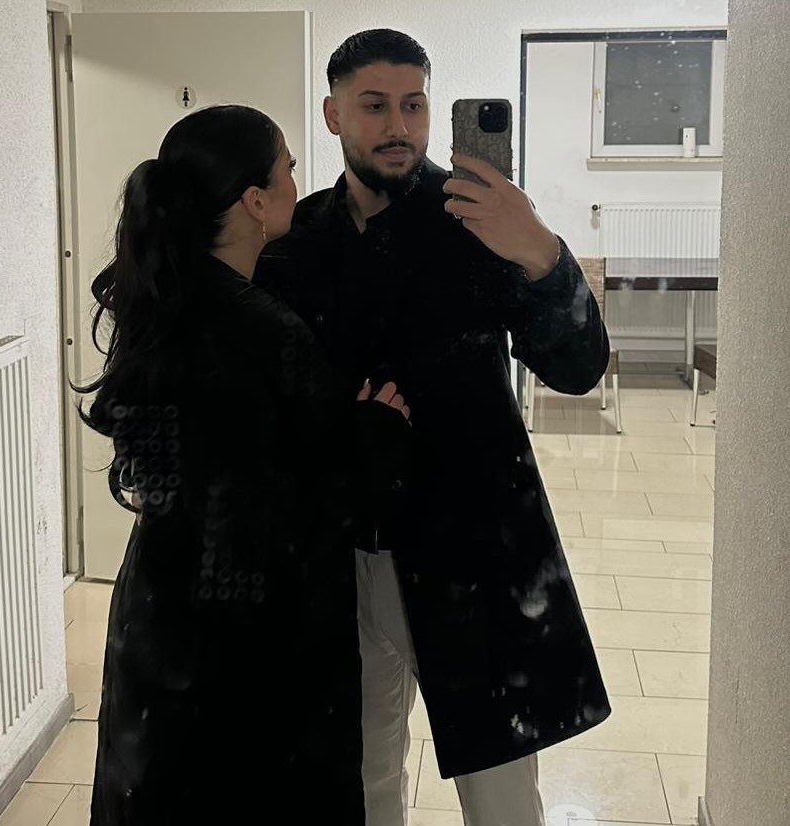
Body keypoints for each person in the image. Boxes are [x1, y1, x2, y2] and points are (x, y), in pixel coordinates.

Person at [257, 29, 612, 826]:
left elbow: (579, 368)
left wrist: (541, 254)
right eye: (374, 106)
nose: (398, 126)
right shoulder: (295, 243)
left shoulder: (479, 220)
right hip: (337, 552)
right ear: (333, 114)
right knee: (359, 783)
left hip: (472, 548)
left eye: (413, 105)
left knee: (502, 798)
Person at [77, 104, 411, 826]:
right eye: (287, 168)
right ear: (256, 202)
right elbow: (293, 502)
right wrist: (377, 434)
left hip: (159, 617)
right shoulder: (263, 331)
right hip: (249, 645)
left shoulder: (163, 303)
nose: (297, 180)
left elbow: (187, 476)